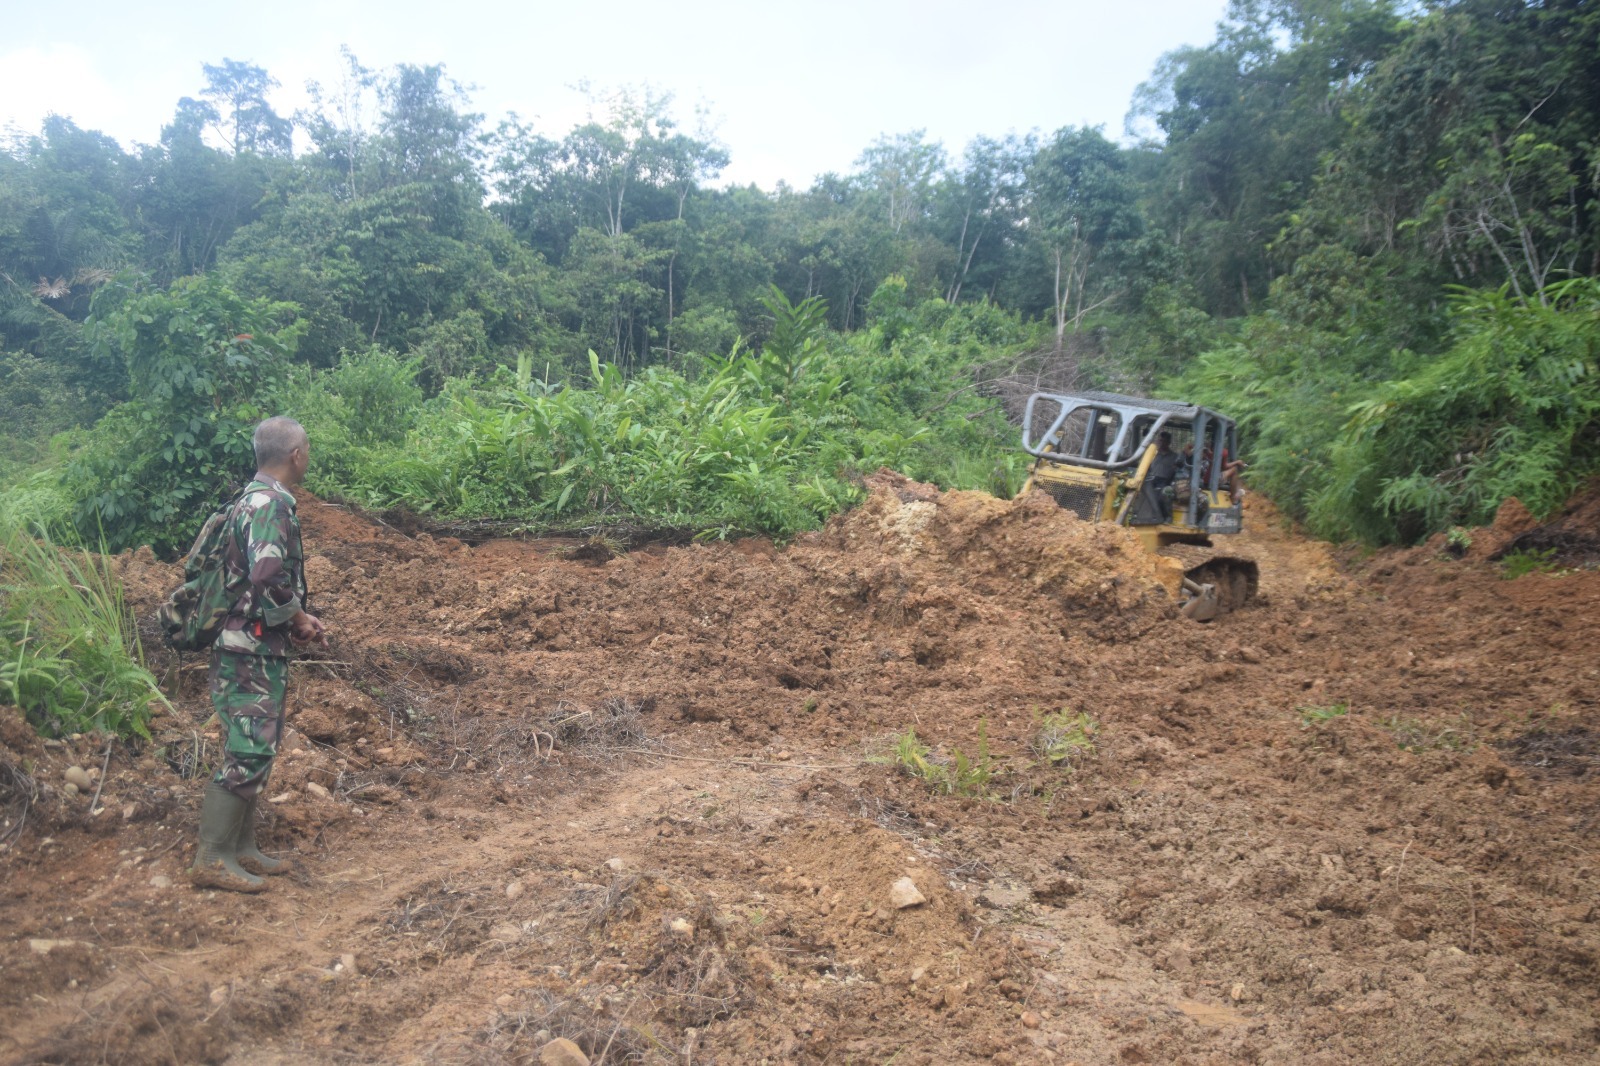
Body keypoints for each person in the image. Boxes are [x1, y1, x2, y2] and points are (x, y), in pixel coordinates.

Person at [188, 416, 328, 893]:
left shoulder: (253, 500)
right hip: (247, 648)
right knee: (248, 746)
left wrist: (296, 617)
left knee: (258, 744)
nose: (309, 456)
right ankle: (211, 856)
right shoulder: (269, 505)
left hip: (253, 643)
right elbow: (267, 574)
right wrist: (299, 619)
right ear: (295, 455)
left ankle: (240, 847)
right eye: (307, 449)